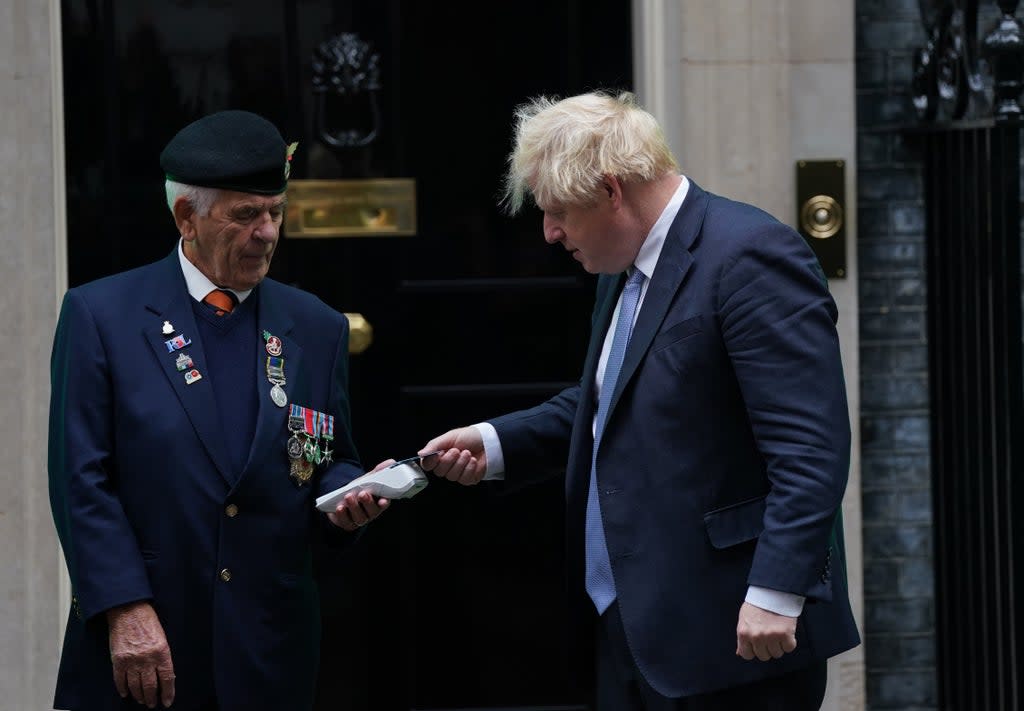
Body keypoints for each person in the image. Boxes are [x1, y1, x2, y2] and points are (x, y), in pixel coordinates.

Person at [419, 91, 860, 710]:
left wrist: (777, 591)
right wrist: (494, 442)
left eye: (558, 212)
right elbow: (612, 400)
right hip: (633, 626)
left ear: (610, 190)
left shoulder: (752, 257)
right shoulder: (619, 269)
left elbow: (811, 448)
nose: (548, 233)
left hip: (739, 636)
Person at [48, 110, 389, 711]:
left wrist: (348, 499)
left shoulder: (316, 325)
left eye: (275, 213)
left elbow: (325, 459)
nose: (267, 232)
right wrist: (124, 608)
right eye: (246, 215)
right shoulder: (102, 316)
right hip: (146, 644)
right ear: (186, 216)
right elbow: (81, 479)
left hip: (268, 647)